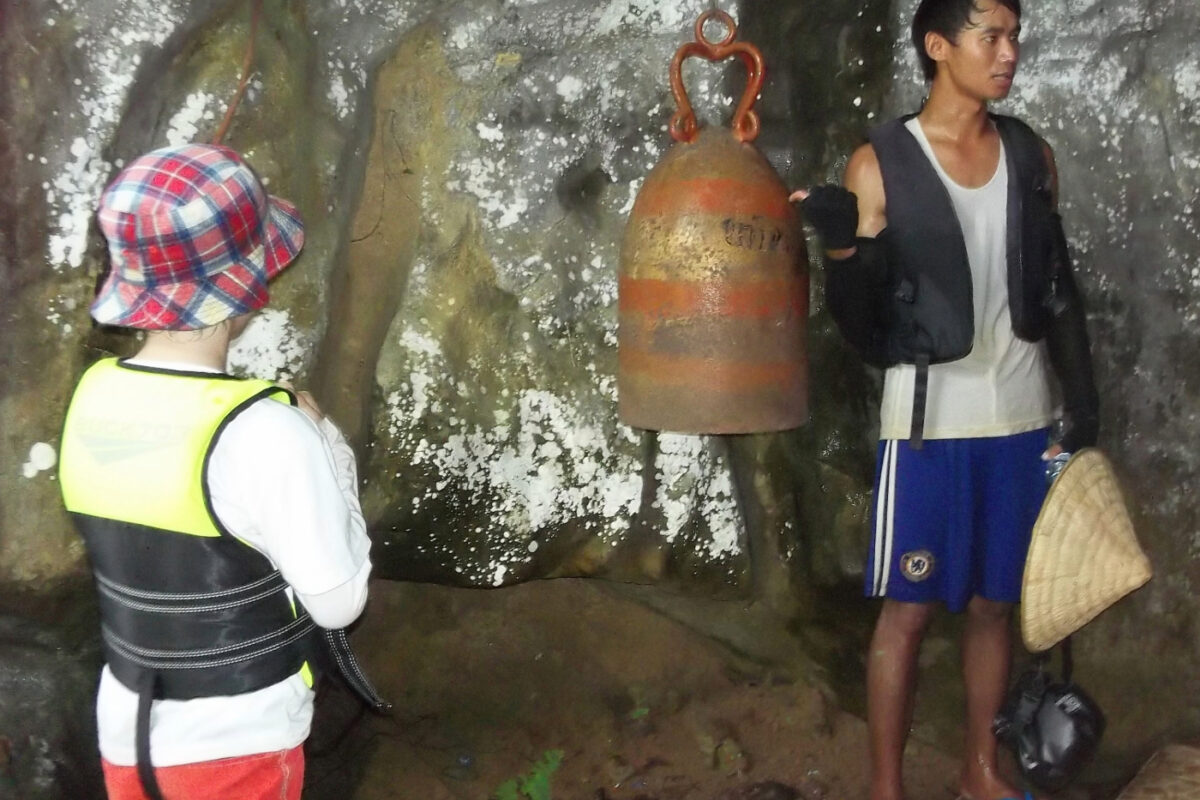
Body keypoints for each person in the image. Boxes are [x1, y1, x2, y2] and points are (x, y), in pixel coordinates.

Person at [791, 1, 1099, 799]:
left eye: (1014, 36)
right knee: (909, 612)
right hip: (930, 423)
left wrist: (1084, 404)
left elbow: (1059, 292)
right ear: (938, 46)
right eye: (990, 36)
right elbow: (861, 330)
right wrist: (841, 248)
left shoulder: (1031, 155)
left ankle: (980, 772)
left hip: (1024, 420)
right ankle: (886, 789)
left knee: (996, 608)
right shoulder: (881, 162)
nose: (1009, 53)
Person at [59, 143, 375, 800]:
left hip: (127, 725)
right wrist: (330, 449)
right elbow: (338, 602)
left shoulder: (92, 396)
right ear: (243, 289)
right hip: (234, 745)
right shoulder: (266, 431)